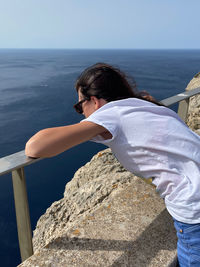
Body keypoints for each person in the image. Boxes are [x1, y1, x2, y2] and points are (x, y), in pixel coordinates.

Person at [25, 63, 200, 267]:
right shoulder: (145, 106)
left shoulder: (110, 114)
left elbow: (35, 147)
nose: (81, 113)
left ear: (94, 101)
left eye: (79, 106)